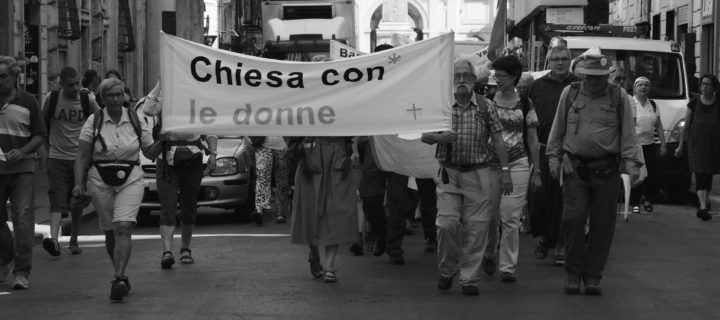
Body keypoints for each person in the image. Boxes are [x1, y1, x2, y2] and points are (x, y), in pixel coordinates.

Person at [546, 54, 640, 295]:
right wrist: (553, 158)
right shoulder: (571, 92)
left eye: (599, 78)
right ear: (583, 75)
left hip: (606, 170)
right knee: (573, 219)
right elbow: (558, 128)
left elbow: (629, 133)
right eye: (590, 77)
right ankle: (573, 273)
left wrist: (632, 164)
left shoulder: (619, 97)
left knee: (602, 225)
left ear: (606, 76)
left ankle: (593, 275)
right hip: (574, 168)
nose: (594, 82)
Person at [421, 59, 513, 296]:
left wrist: (505, 172)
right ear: (451, 80)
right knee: (447, 224)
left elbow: (499, 139)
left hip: (479, 173)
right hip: (449, 173)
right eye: (457, 76)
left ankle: (469, 278)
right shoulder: (442, 105)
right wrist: (441, 138)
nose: (462, 80)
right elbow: (424, 136)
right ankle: (447, 269)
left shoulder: (486, 106)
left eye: (466, 76)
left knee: (477, 228)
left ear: (474, 80)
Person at [73, 78, 164, 301]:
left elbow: (150, 153)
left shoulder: (134, 118)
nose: (115, 99)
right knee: (109, 230)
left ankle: (119, 276)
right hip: (99, 180)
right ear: (102, 98)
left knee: (123, 226)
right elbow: (82, 156)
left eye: (118, 94)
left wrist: (164, 140)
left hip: (130, 178)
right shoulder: (93, 121)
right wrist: (78, 183)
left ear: (124, 95)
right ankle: (120, 272)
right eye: (110, 95)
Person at [137, 81, 218, 269]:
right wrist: (160, 82)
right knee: (168, 206)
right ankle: (167, 251)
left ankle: (185, 248)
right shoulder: (166, 95)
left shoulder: (201, 97)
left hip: (193, 160)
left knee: (189, 207)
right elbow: (148, 109)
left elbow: (211, 127)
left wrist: (213, 154)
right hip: (167, 160)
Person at [483, 55, 541, 283]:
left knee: (510, 217)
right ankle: (489, 251)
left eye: (502, 76)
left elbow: (533, 138)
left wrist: (537, 171)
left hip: (518, 164)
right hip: (489, 165)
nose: (497, 80)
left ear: (515, 77)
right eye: (495, 75)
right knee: (489, 216)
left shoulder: (526, 103)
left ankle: (507, 266)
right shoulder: (487, 101)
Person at [527, 45, 582, 266]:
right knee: (538, 200)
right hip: (540, 150)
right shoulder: (536, 87)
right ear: (548, 62)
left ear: (570, 61)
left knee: (564, 202)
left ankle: (560, 246)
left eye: (564, 59)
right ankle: (543, 240)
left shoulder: (579, 85)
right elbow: (527, 120)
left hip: (569, 151)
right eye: (556, 59)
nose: (560, 63)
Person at [41, 67, 101, 256]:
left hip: (80, 159)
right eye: (70, 85)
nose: (75, 88)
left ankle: (74, 239)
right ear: (61, 85)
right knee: (57, 198)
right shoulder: (51, 99)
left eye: (77, 83)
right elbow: (42, 124)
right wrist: (46, 150)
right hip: (57, 158)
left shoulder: (87, 100)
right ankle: (54, 240)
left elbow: (100, 120)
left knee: (77, 200)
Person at [0, 56, 47, 289]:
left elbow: (40, 135)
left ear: (14, 77)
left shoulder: (28, 101)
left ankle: (21, 271)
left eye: (3, 77)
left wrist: (23, 150)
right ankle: (6, 256)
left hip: (22, 170)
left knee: (22, 219)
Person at [289, 136, 360, 283]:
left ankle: (329, 266)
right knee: (310, 209)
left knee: (335, 210)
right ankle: (314, 254)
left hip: (337, 154)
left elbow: (356, 120)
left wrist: (354, 149)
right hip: (312, 152)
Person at [675, 74, 720, 221]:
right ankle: (702, 206)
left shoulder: (718, 103)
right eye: (703, 84)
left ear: (714, 87)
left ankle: (704, 205)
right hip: (696, 145)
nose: (705, 87)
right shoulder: (694, 103)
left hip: (714, 146)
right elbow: (686, 126)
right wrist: (681, 145)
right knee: (700, 174)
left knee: (708, 175)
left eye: (708, 84)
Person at [629, 77, 667, 214]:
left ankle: (646, 197)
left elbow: (659, 126)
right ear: (634, 88)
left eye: (646, 85)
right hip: (635, 145)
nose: (643, 88)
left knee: (650, 174)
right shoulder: (631, 103)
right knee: (636, 173)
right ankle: (634, 202)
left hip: (650, 144)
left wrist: (663, 144)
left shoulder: (653, 104)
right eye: (640, 85)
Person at [247, 135, 290, 225]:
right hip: (263, 145)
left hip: (282, 146)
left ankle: (281, 212)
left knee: (282, 179)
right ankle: (259, 210)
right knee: (262, 176)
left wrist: (289, 143)